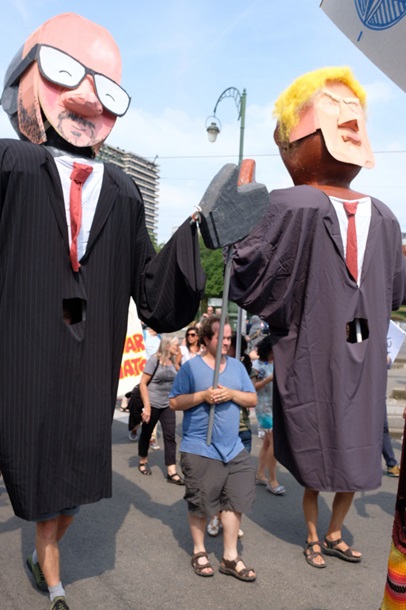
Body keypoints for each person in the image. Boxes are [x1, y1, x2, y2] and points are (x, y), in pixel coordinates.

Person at [0, 13, 204, 609]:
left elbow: (153, 293)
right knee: (29, 458)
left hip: (89, 364)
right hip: (22, 348)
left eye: (105, 87)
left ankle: (46, 554)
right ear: (24, 78)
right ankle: (52, 574)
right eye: (65, 71)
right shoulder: (10, 166)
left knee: (75, 482)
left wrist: (198, 232)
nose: (87, 94)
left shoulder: (123, 190)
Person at [229, 66, 406, 569]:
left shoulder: (382, 216)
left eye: (354, 114)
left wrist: (240, 216)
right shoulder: (298, 205)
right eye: (332, 111)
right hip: (321, 351)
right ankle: (315, 535)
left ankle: (330, 532)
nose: (348, 123)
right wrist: (241, 215)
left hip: (356, 355)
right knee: (318, 450)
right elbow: (251, 270)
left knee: (356, 457)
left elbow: (250, 267)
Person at [169, 316, 257, 581]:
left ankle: (230, 557)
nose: (227, 342)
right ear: (206, 339)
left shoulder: (237, 367)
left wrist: (231, 394)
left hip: (234, 448)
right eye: (222, 338)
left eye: (229, 337)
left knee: (236, 499)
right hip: (200, 447)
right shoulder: (191, 368)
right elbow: (174, 402)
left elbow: (251, 398)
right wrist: (202, 396)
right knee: (201, 503)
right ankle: (199, 550)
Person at [206, 332, 252, 538]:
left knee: (236, 483)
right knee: (217, 481)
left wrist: (233, 393)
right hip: (220, 433)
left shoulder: (243, 367)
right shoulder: (211, 368)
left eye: (230, 343)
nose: (226, 346)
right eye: (223, 342)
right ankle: (215, 516)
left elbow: (252, 398)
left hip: (242, 431)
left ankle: (231, 519)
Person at [138, 335, 184, 484]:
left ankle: (171, 471)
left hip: (167, 405)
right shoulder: (154, 360)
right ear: (167, 346)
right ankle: (143, 461)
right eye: (176, 345)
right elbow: (143, 383)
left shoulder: (174, 361)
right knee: (146, 433)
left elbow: (180, 379)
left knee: (170, 436)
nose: (178, 347)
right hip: (152, 403)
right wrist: (147, 407)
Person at [251, 335, 286, 496]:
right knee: (274, 443)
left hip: (276, 406)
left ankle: (260, 474)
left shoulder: (279, 363)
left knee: (267, 443)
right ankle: (272, 480)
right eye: (272, 351)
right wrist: (267, 380)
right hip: (263, 408)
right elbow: (252, 388)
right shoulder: (256, 366)